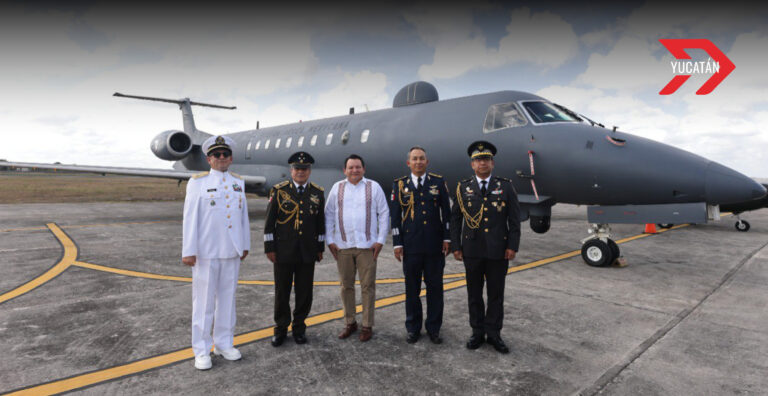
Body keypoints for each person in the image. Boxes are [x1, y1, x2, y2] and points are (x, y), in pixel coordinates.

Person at [182, 135, 251, 370]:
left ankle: (224, 343)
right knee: (203, 303)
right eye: (216, 155)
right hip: (206, 252)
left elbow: (243, 217)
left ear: (230, 158)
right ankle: (201, 350)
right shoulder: (197, 182)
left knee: (227, 302)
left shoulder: (238, 182)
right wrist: (189, 250)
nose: (221, 158)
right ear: (209, 159)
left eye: (225, 155)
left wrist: (244, 245)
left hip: (231, 251)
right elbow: (190, 219)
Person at [450, 140, 520, 354]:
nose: (482, 163)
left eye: (486, 159)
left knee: (496, 294)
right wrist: (456, 246)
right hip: (472, 250)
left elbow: (514, 220)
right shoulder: (463, 187)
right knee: (474, 294)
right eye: (478, 160)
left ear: (493, 163)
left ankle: (494, 333)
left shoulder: (505, 186)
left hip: (498, 250)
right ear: (472, 164)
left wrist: (512, 246)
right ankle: (477, 332)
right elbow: (455, 220)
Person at [325, 154, 389, 342]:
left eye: (358, 167)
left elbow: (384, 213)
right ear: (345, 170)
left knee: (368, 286)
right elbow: (328, 215)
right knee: (346, 286)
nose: (355, 170)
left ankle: (367, 325)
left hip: (367, 246)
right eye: (351, 167)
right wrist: (330, 240)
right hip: (343, 246)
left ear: (364, 169)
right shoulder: (337, 188)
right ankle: (350, 322)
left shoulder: (373, 187)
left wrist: (380, 240)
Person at [390, 146, 451, 344]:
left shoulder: (438, 182)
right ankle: (413, 328)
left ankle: (434, 328)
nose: (418, 162)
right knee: (412, 290)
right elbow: (396, 218)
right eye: (414, 159)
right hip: (411, 246)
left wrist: (447, 238)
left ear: (427, 162)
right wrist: (397, 243)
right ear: (409, 163)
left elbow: (447, 214)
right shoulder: (399, 185)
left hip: (434, 246)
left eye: (421, 159)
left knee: (435, 289)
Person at [264, 151, 325, 347]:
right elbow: (269, 223)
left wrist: (320, 247)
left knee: (304, 292)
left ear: (309, 171)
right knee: (282, 291)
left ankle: (299, 328)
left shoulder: (317, 192)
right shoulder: (279, 190)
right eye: (297, 168)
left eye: (305, 168)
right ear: (291, 170)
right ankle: (280, 329)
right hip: (283, 251)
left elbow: (320, 223)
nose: (301, 172)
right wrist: (270, 248)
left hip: (307, 251)